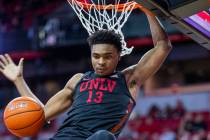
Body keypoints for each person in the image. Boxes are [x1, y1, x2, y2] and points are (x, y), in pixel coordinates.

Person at [0, 9, 172, 140]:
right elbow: (39, 114)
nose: (101, 62)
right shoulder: (78, 80)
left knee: (104, 136)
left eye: (107, 56)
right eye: (96, 56)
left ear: (118, 56)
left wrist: (148, 9)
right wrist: (19, 80)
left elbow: (163, 46)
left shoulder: (129, 79)